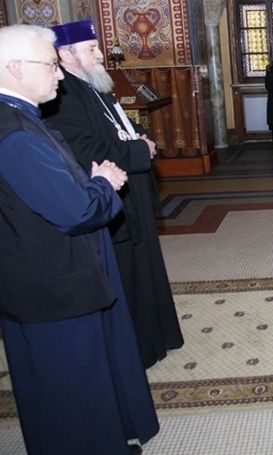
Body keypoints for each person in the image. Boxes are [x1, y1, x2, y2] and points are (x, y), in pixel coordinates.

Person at [0, 24, 159, 454]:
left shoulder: (22, 119)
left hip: (52, 277)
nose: (57, 75)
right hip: (51, 285)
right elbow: (77, 212)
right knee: (70, 383)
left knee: (80, 379)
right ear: (15, 68)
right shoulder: (14, 135)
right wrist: (104, 184)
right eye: (49, 65)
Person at [44, 19, 184, 369]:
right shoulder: (62, 98)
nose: (100, 54)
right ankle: (139, 347)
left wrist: (142, 138)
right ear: (66, 55)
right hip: (112, 192)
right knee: (128, 272)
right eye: (91, 49)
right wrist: (139, 151)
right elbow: (87, 150)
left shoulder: (97, 84)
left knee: (147, 264)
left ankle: (161, 334)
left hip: (132, 189)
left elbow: (124, 123)